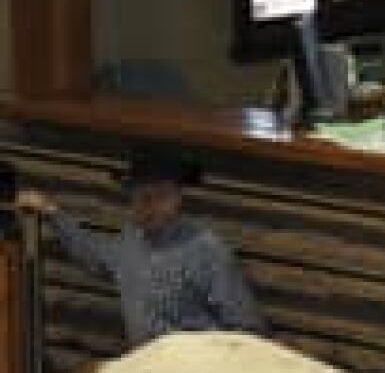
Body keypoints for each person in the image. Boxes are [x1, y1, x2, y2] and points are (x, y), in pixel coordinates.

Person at [16, 144, 266, 347]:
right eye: (141, 196)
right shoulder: (130, 239)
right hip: (143, 370)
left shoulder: (207, 250)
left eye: (159, 196)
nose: (149, 206)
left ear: (177, 198)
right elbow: (97, 257)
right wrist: (53, 213)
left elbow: (247, 329)